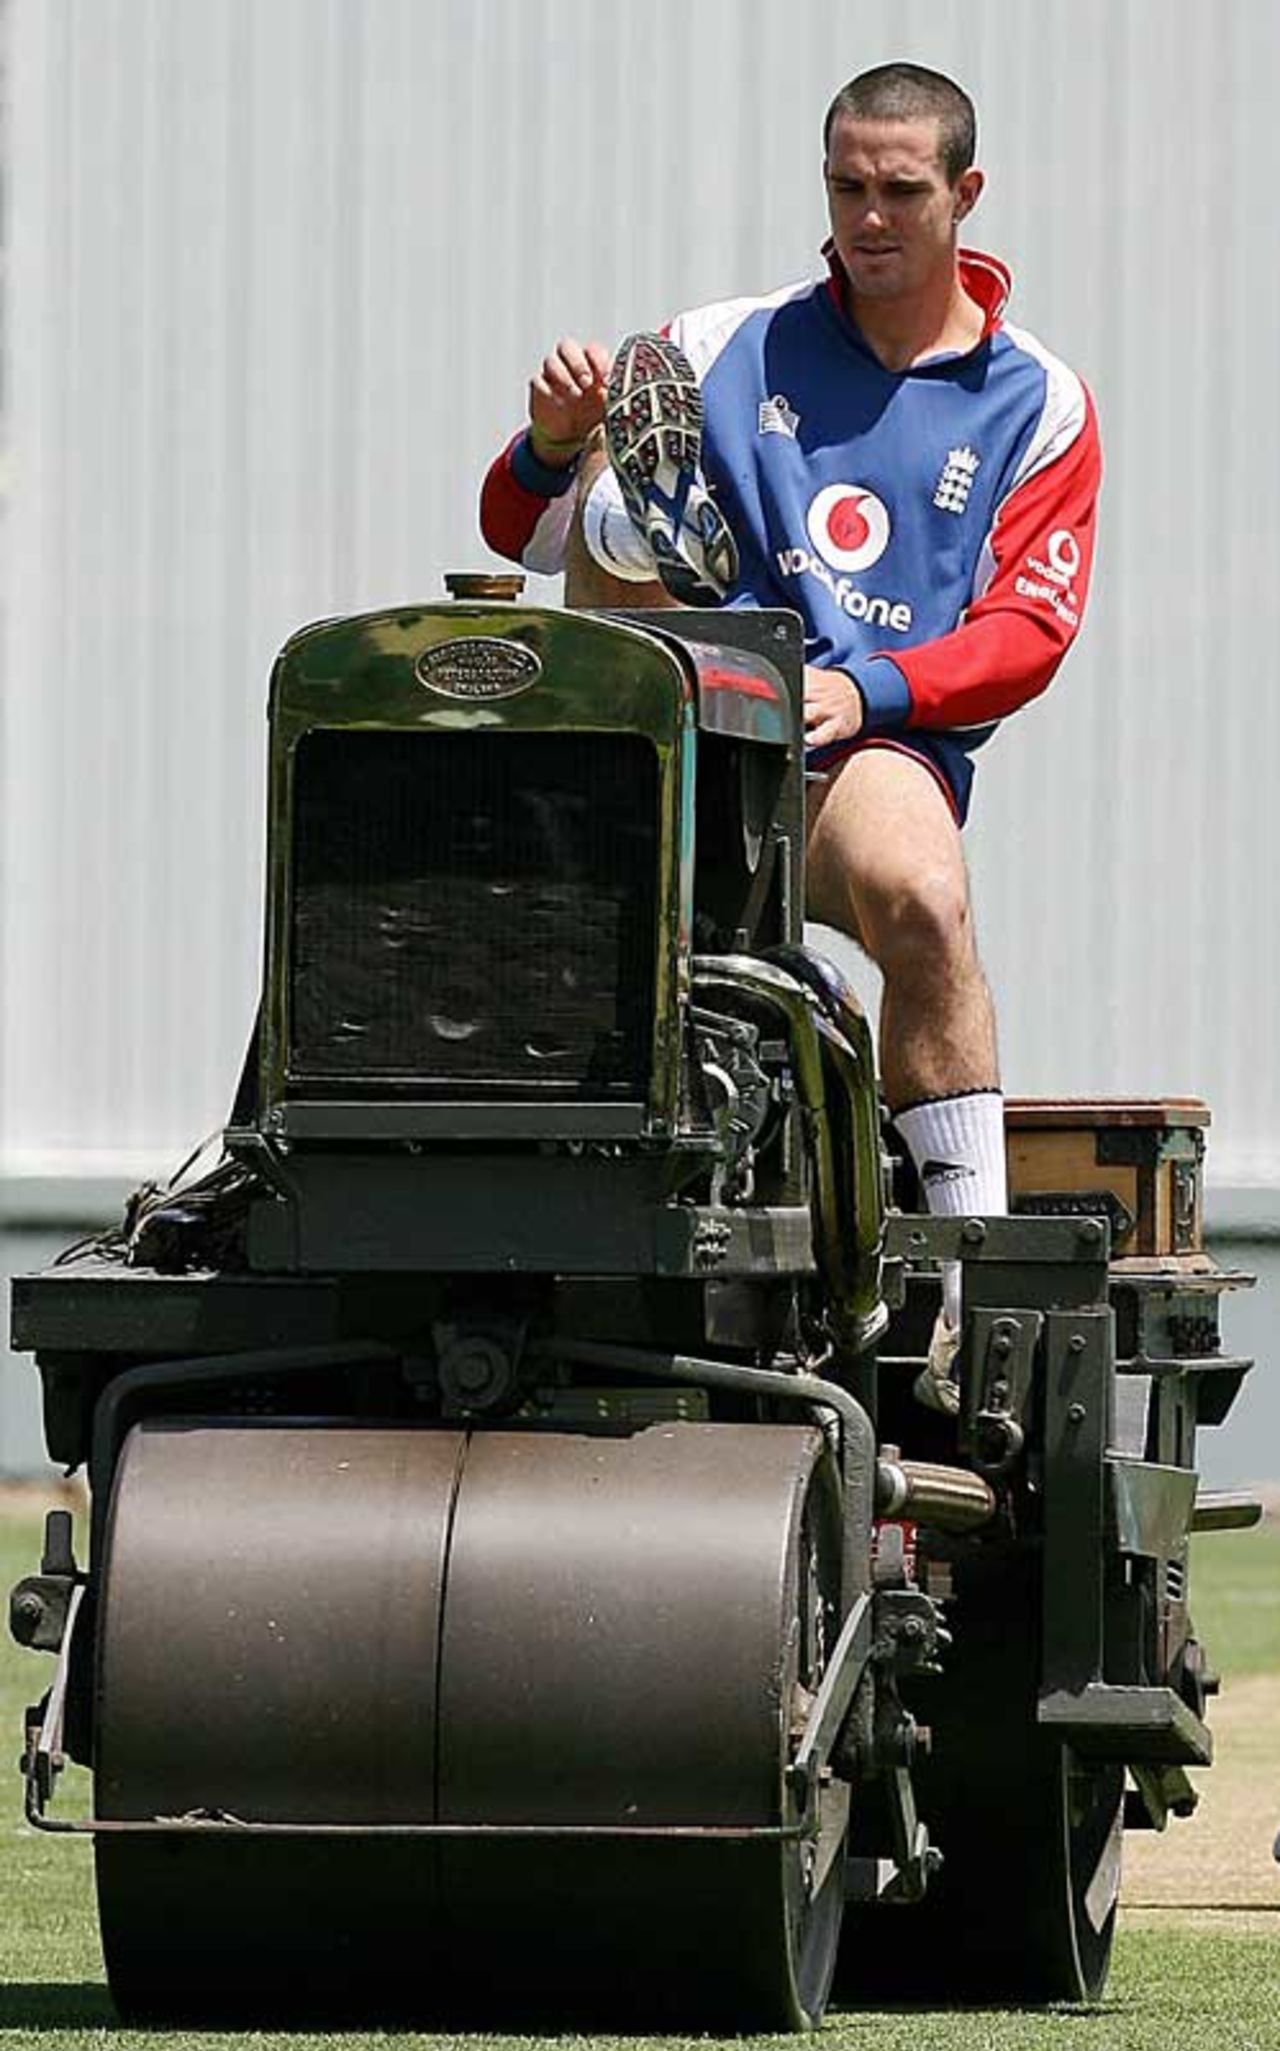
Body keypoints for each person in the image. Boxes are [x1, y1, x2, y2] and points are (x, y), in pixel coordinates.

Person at [478, 62, 1101, 1409]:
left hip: (862, 746)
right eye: (844, 187)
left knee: (924, 897)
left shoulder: (1037, 400)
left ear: (964, 196)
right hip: (677, 742)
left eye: (899, 190)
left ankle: (965, 1266)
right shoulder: (719, 344)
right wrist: (548, 441)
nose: (867, 217)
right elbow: (517, 536)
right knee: (606, 514)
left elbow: (1028, 636)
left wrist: (866, 692)